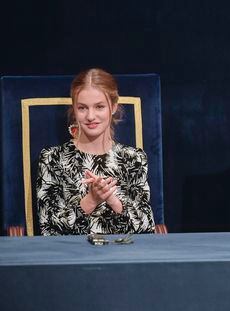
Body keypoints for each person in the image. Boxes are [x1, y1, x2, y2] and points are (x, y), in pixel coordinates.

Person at [36, 68, 155, 235]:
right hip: (71, 257)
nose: (90, 116)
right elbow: (47, 229)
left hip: (123, 256)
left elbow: (147, 227)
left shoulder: (133, 159)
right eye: (83, 108)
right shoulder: (52, 159)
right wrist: (90, 201)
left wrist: (112, 199)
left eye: (99, 107)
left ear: (113, 107)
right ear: (74, 109)